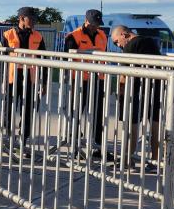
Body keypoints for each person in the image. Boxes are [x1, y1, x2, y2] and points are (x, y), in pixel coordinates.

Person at [111, 25, 162, 171]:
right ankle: (155, 161)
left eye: (116, 41)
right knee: (155, 124)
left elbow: (124, 74)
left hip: (136, 89)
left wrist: (120, 92)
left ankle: (128, 159)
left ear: (124, 34)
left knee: (131, 124)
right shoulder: (151, 41)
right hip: (155, 86)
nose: (118, 45)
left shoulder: (130, 46)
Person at [0, 6, 47, 158]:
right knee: (8, 110)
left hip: (31, 78)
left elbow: (44, 60)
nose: (34, 22)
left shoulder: (38, 36)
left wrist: (44, 82)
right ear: (21, 19)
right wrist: (2, 79)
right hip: (12, 78)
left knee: (28, 110)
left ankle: (22, 142)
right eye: (31, 19)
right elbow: (0, 59)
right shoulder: (7, 35)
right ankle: (8, 140)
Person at [63, 9, 108, 158]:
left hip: (98, 79)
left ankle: (97, 147)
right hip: (79, 80)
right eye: (94, 24)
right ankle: (75, 146)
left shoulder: (102, 35)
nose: (96, 27)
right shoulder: (73, 36)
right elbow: (66, 60)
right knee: (76, 112)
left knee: (97, 113)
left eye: (98, 24)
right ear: (87, 21)